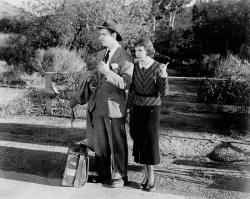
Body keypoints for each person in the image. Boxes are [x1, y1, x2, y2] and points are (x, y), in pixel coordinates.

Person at [84, 18, 134, 188]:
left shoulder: (125, 56)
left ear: (114, 35)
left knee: (117, 142)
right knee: (101, 142)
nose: (100, 37)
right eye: (100, 34)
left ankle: (120, 175)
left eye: (104, 34)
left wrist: (108, 73)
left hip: (114, 106)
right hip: (99, 105)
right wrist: (92, 84)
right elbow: (99, 78)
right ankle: (103, 173)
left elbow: (126, 83)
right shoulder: (100, 54)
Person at [127, 38, 169, 191]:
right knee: (139, 140)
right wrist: (127, 108)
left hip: (152, 109)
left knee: (149, 141)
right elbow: (132, 89)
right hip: (137, 107)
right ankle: (146, 174)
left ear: (148, 51)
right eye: (136, 50)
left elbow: (164, 92)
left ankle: (151, 177)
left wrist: (163, 75)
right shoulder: (135, 67)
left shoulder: (158, 66)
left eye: (140, 50)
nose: (136, 53)